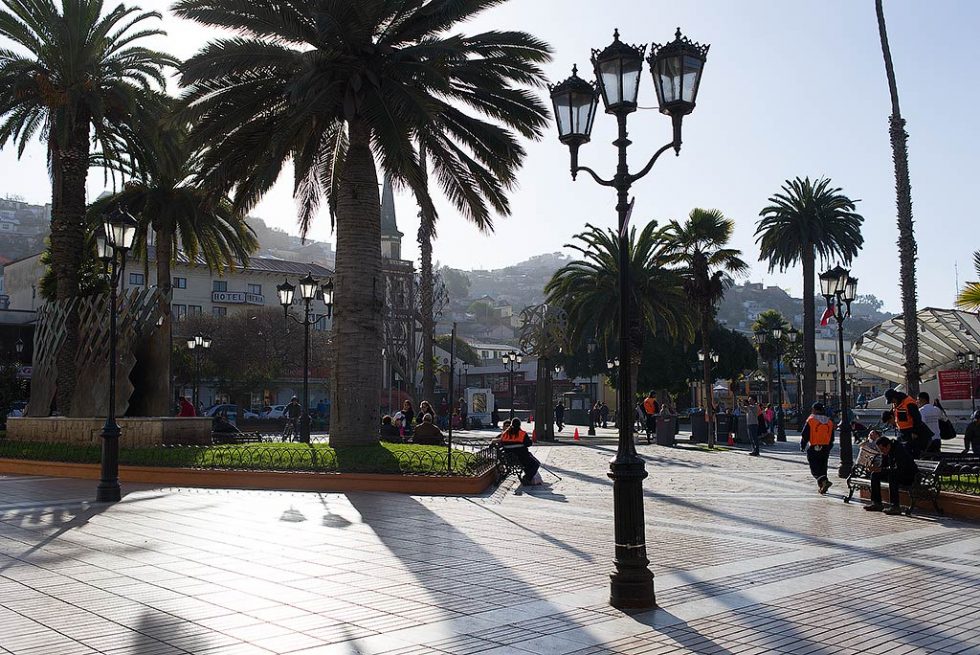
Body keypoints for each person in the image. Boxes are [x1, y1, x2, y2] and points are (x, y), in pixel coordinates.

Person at [866, 435, 918, 515]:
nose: (882, 452)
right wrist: (876, 469)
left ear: (888, 446)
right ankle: (876, 503)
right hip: (896, 473)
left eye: (882, 449)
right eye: (880, 450)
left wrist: (881, 470)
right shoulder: (886, 451)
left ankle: (895, 506)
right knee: (875, 475)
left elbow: (899, 468)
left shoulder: (899, 450)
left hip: (909, 476)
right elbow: (884, 466)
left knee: (892, 476)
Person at [884, 388, 930, 458]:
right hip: (901, 432)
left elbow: (917, 418)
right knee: (901, 451)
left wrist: (915, 432)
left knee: (912, 453)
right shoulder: (895, 403)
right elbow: (894, 413)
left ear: (894, 397)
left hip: (911, 432)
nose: (892, 402)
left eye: (891, 400)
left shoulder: (909, 403)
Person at [800, 402, 835, 494]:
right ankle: (822, 486)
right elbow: (832, 437)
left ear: (814, 410)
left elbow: (805, 434)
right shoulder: (829, 422)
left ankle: (824, 481)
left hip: (814, 446)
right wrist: (829, 446)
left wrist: (803, 445)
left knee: (814, 467)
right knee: (823, 466)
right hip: (826, 447)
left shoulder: (811, 420)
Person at [498, 418, 540, 485]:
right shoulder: (522, 433)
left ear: (511, 425)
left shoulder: (505, 434)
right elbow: (529, 443)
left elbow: (502, 443)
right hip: (522, 457)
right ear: (519, 425)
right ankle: (527, 478)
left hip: (509, 458)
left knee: (529, 464)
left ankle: (527, 478)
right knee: (536, 464)